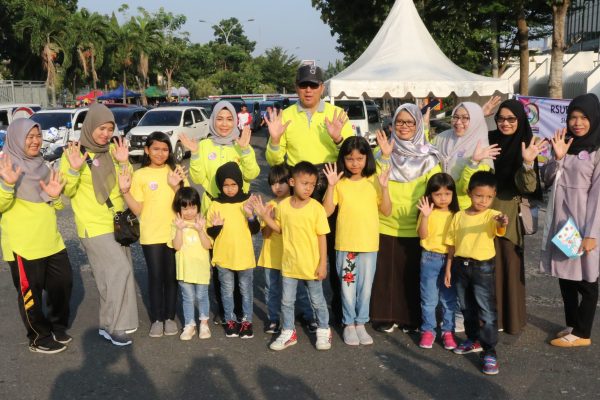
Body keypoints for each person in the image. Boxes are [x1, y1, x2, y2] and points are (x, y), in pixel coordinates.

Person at [264, 64, 353, 324]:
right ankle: (303, 308)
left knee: (334, 243)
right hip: (299, 183)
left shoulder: (337, 113)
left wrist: (338, 139)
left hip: (330, 180)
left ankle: (338, 309)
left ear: (322, 87)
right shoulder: (287, 115)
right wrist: (276, 139)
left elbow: (350, 154)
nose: (308, 90)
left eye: (314, 85)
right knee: (298, 246)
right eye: (304, 85)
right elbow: (274, 160)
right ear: (296, 87)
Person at [60, 103, 138, 346]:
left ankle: (108, 324)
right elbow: (67, 191)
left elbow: (126, 184)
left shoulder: (112, 151)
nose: (105, 133)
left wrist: (125, 162)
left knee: (109, 276)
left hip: (117, 222)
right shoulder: (74, 153)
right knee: (119, 271)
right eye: (101, 128)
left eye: (109, 128)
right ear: (89, 126)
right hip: (93, 226)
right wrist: (73, 170)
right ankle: (116, 327)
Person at [180, 101, 259, 325]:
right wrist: (194, 154)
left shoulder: (241, 143)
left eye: (229, 119)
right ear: (213, 120)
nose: (224, 124)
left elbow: (252, 173)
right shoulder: (205, 145)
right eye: (219, 119)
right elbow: (196, 177)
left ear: (235, 121)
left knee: (237, 254)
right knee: (217, 257)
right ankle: (225, 310)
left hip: (238, 210)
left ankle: (240, 310)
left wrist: (244, 150)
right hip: (212, 207)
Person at [0, 119, 72, 354]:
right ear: (16, 138)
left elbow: (58, 207)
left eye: (37, 136)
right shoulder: (5, 167)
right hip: (23, 245)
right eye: (28, 137)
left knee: (63, 284)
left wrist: (54, 196)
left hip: (51, 240)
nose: (34, 141)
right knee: (30, 295)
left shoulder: (42, 165)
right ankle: (38, 336)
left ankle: (57, 325)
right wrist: (8, 185)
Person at [370, 103, 442, 333]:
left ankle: (408, 319)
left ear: (418, 125)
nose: (404, 127)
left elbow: (436, 189)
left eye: (409, 122)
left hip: (415, 224)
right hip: (385, 222)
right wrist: (384, 157)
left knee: (410, 275)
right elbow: (373, 183)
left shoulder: (429, 156)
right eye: (399, 122)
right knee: (385, 275)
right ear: (392, 124)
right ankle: (384, 316)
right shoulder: (380, 151)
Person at [252, 162, 332, 351]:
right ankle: (288, 332)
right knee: (287, 301)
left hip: (311, 265)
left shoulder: (316, 208)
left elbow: (322, 237)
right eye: (304, 183)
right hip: (288, 264)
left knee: (317, 300)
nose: (309, 188)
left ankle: (323, 330)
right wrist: (265, 216)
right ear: (292, 181)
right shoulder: (284, 206)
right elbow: (280, 229)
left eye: (312, 184)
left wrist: (322, 264)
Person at [541, 93, 600, 348]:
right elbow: (547, 178)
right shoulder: (565, 143)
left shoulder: (597, 151)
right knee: (566, 276)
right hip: (562, 221)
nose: (577, 122)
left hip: (584, 221)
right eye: (573, 117)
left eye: (583, 117)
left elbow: (599, 196)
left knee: (587, 279)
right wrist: (558, 158)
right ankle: (572, 325)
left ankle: (583, 333)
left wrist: (592, 233)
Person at [322, 136, 392, 346]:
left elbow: (387, 211)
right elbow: (326, 211)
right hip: (346, 244)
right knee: (347, 287)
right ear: (343, 159)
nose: (355, 163)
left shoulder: (375, 180)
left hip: (369, 243)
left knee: (366, 287)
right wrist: (331, 186)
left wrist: (385, 188)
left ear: (366, 158)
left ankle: (361, 322)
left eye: (359, 158)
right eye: (350, 159)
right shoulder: (340, 183)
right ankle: (349, 324)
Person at [485, 99, 546, 335]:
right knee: (484, 264)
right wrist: (481, 116)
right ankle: (486, 316)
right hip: (484, 209)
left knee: (508, 264)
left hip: (510, 211)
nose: (505, 123)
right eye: (501, 118)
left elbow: (528, 188)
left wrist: (528, 162)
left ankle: (508, 318)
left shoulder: (527, 144)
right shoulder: (489, 139)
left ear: (520, 119)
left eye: (511, 119)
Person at [118, 132, 187, 338]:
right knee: (156, 277)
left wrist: (176, 186)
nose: (160, 153)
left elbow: (186, 205)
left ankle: (169, 317)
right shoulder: (140, 175)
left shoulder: (176, 171)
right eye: (155, 149)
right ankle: (157, 319)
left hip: (175, 233)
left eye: (165, 149)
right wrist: (125, 191)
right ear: (147, 150)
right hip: (151, 235)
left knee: (171, 277)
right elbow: (137, 209)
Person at [444, 171, 508, 376]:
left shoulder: (491, 216)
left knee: (486, 311)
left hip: (483, 268)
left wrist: (502, 221)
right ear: (469, 193)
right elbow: (451, 245)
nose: (484, 200)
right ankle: (473, 340)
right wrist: (448, 268)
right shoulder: (459, 216)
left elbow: (499, 225)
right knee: (466, 307)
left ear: (494, 195)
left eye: (489, 197)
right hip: (460, 267)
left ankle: (490, 351)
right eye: (479, 195)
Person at [257, 164, 318, 334]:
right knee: (272, 289)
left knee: (300, 289)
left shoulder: (296, 204)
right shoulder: (268, 205)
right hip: (271, 256)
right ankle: (273, 319)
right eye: (273, 183)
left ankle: (308, 316)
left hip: (292, 256)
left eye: (282, 182)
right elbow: (266, 234)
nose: (278, 186)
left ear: (291, 182)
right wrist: (267, 217)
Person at [206, 162, 259, 339]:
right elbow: (210, 232)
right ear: (221, 185)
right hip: (223, 257)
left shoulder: (248, 201)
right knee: (226, 291)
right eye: (225, 185)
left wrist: (251, 216)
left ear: (239, 183)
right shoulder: (215, 204)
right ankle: (230, 320)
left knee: (246, 290)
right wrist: (216, 227)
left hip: (244, 257)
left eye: (233, 184)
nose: (229, 189)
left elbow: (255, 229)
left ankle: (246, 321)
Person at [416, 173, 460, 350]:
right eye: (438, 194)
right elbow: (422, 235)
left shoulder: (456, 215)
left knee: (449, 298)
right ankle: (428, 330)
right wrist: (425, 216)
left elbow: (455, 243)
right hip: (429, 258)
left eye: (447, 194)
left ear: (453, 194)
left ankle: (448, 331)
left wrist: (450, 265)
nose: (443, 198)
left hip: (450, 259)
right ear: (430, 195)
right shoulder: (427, 212)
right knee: (429, 298)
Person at [433, 102, 498, 209]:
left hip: (463, 209)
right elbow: (425, 153)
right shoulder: (442, 138)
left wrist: (474, 162)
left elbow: (467, 188)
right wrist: (425, 126)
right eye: (456, 117)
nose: (458, 122)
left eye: (465, 118)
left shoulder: (482, 150)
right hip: (439, 204)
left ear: (475, 121)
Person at [172, 187, 213, 341]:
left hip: (201, 269)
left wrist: (201, 230)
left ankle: (204, 323)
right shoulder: (177, 224)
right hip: (184, 269)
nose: (189, 212)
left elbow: (208, 245)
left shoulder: (202, 222)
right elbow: (176, 246)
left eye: (193, 207)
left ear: (198, 207)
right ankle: (189, 325)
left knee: (202, 296)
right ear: (179, 208)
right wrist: (179, 230)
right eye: (185, 208)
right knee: (187, 297)